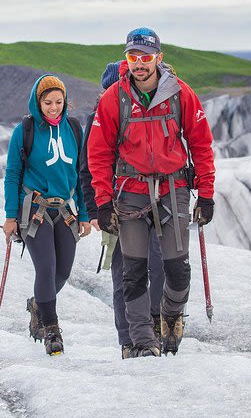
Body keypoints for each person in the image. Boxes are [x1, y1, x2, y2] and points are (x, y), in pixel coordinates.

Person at [87, 27, 215, 357]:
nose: (139, 63)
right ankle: (143, 342)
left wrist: (207, 192)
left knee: (176, 269)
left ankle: (171, 317)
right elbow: (98, 153)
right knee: (132, 272)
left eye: (145, 57)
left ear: (158, 57)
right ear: (126, 59)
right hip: (131, 191)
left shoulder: (181, 93)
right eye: (133, 57)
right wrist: (102, 201)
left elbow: (200, 143)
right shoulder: (114, 98)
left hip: (174, 189)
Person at [80, 61, 165, 359]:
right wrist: (96, 209)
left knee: (159, 266)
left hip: (150, 203)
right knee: (125, 274)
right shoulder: (97, 119)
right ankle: (129, 340)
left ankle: (152, 330)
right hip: (116, 207)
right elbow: (87, 168)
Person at [2, 74, 91, 355]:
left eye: (58, 102)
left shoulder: (74, 128)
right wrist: (10, 215)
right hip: (35, 210)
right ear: (37, 102)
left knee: (63, 271)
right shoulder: (25, 130)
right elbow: (13, 174)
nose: (53, 107)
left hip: (65, 210)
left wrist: (85, 214)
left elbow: (80, 174)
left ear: (66, 102)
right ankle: (51, 330)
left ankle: (38, 304)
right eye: (47, 102)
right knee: (47, 267)